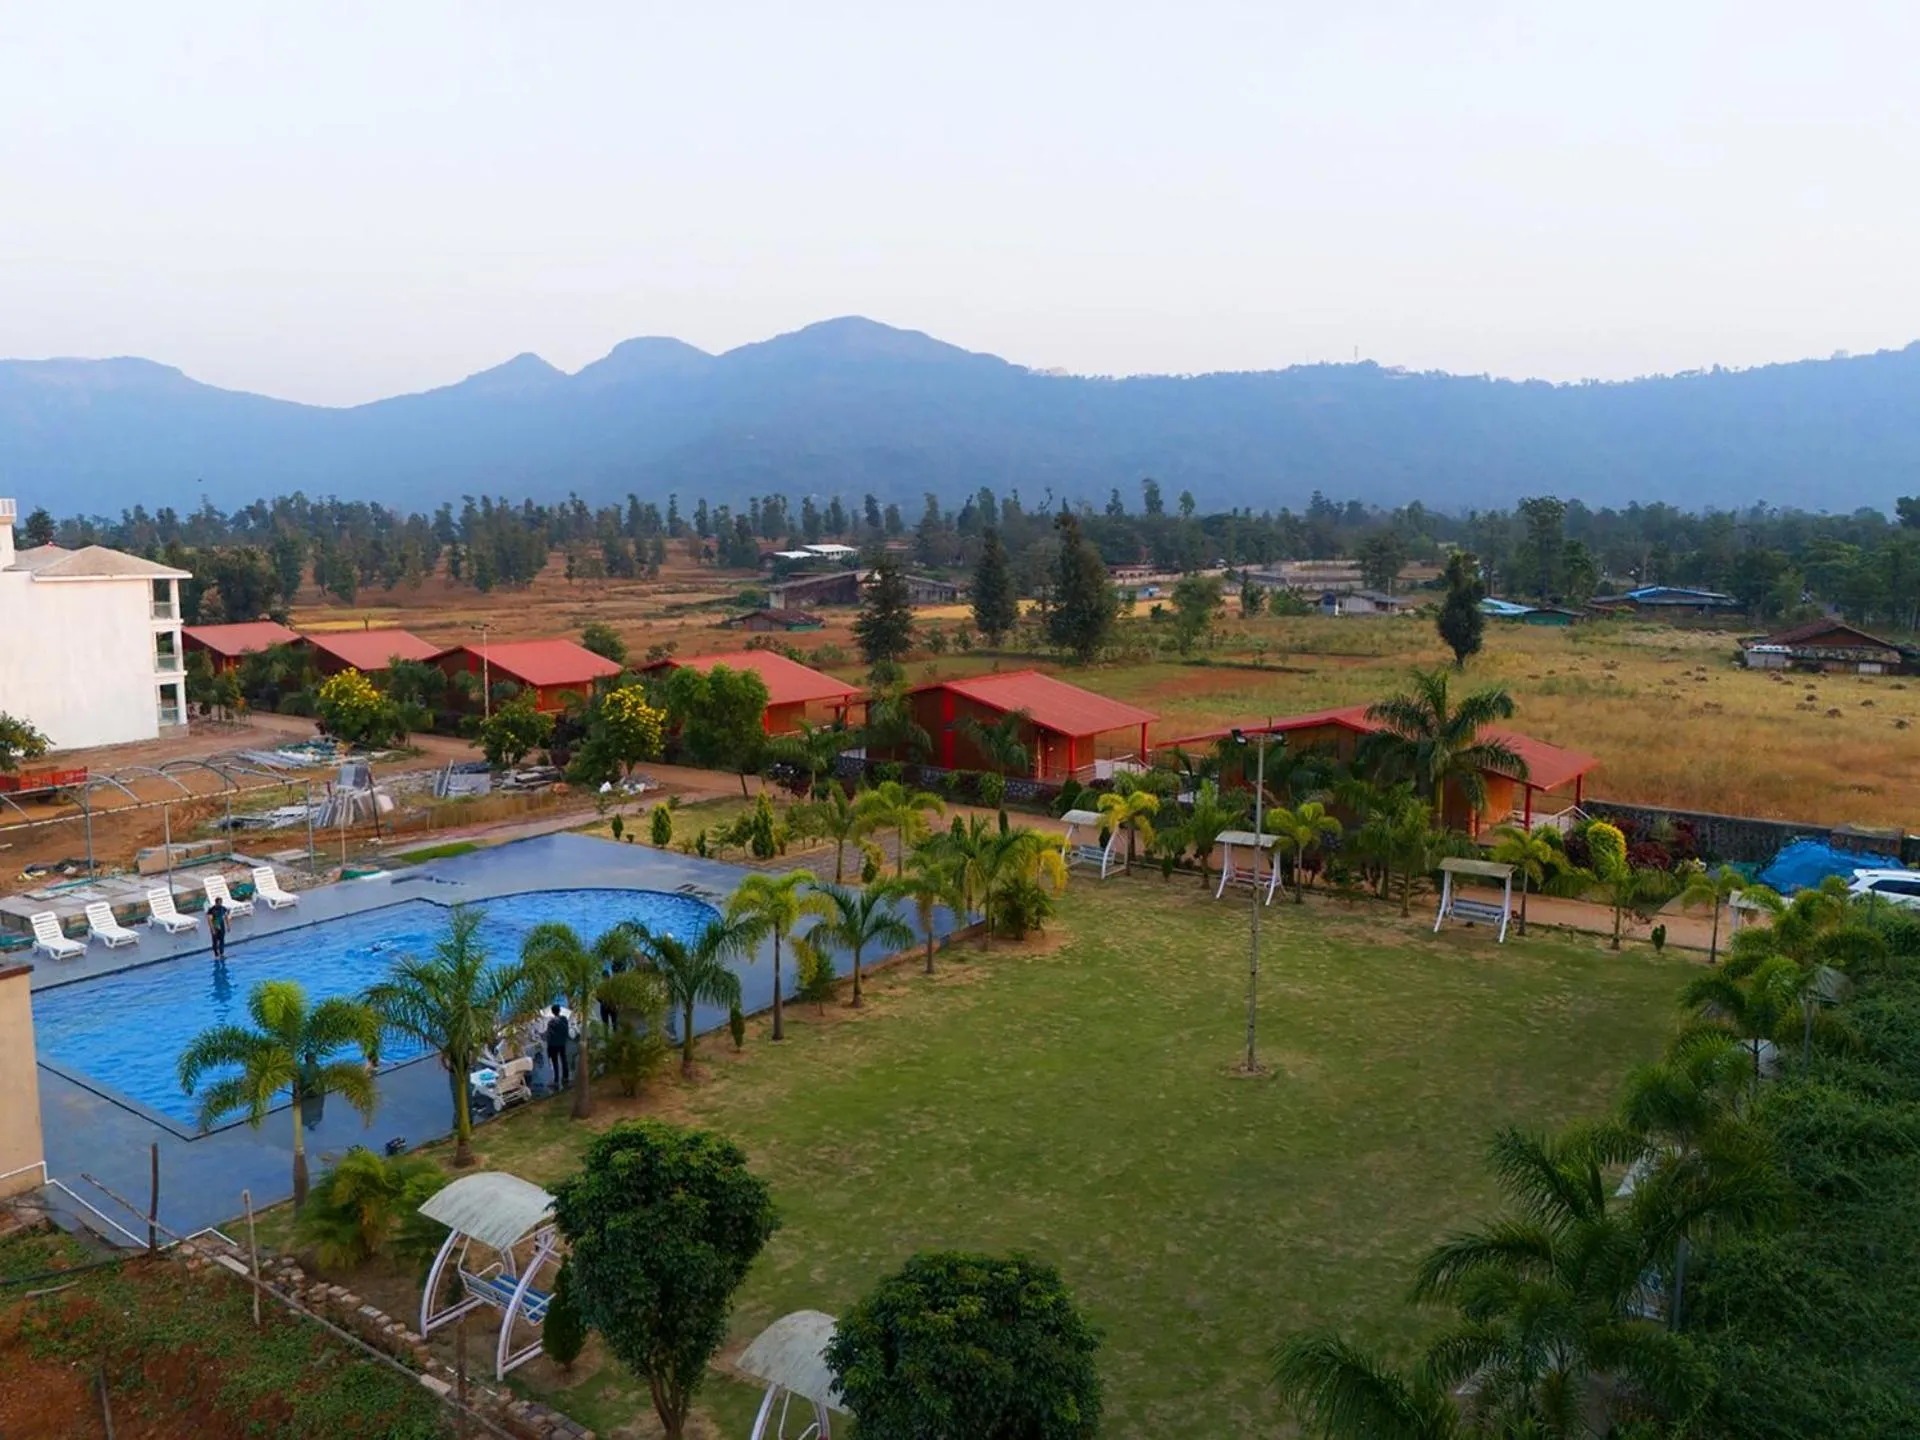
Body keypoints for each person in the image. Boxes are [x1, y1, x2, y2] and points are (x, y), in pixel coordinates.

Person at [544, 1004, 572, 1089]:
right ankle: (566, 1077)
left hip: (553, 1045)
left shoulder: (551, 1022)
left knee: (555, 1062)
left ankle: (556, 1080)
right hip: (562, 1043)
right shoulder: (564, 1019)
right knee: (564, 1059)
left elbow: (548, 1035)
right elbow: (566, 1030)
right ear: (559, 1010)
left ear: (552, 1012)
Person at [207, 897, 229, 961]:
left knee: (222, 940)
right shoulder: (211, 910)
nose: (220, 903)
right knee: (215, 941)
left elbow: (226, 917)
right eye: (219, 902)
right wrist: (212, 929)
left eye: (221, 902)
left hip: (221, 926)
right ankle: (216, 955)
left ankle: (222, 954)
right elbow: (209, 920)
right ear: (216, 902)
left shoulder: (223, 908)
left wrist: (228, 926)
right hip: (215, 926)